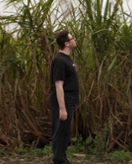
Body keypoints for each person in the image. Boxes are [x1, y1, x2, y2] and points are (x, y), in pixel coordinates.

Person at [49, 30, 79, 164]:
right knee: (60, 131)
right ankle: (59, 160)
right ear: (67, 43)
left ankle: (62, 158)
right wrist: (62, 108)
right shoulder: (60, 60)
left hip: (69, 101)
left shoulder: (67, 59)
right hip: (63, 102)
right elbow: (58, 85)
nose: (75, 40)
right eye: (73, 38)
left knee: (65, 131)